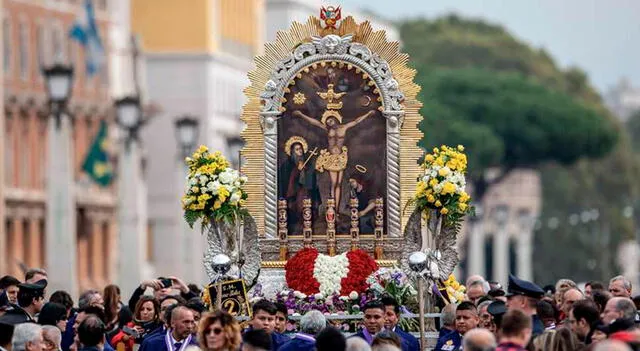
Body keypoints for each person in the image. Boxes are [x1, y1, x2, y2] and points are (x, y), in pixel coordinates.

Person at [292, 103, 376, 211]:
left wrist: (368, 114)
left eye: (330, 120)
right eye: (327, 121)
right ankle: (332, 210)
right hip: (331, 158)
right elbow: (314, 122)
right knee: (333, 183)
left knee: (339, 184)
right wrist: (301, 114)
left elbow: (356, 121)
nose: (328, 122)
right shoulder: (327, 129)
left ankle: (336, 209)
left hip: (340, 158)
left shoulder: (344, 127)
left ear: (336, 119)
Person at [278, 137, 321, 234]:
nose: (300, 151)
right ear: (292, 151)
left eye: (300, 148)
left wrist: (307, 171)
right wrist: (297, 170)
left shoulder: (308, 163)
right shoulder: (287, 165)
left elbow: (312, 181)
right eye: (297, 149)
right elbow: (287, 181)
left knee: (309, 214)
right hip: (295, 194)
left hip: (307, 192)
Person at [128, 277, 196, 314]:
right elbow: (133, 305)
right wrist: (143, 286)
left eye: (166, 287)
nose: (163, 290)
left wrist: (184, 288)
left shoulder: (178, 302)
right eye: (158, 287)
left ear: (171, 289)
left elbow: (199, 306)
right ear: (153, 292)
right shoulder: (149, 304)